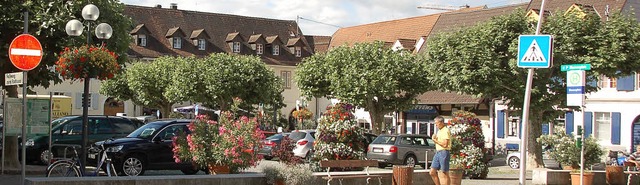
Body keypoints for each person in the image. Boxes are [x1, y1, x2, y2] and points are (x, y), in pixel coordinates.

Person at [430, 116, 451, 185]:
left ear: (441, 122)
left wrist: (435, 140)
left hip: (444, 152)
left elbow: (445, 144)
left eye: (437, 123)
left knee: (445, 172)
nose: (436, 125)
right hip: (438, 152)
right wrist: (435, 139)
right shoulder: (439, 131)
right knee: (432, 172)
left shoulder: (445, 130)